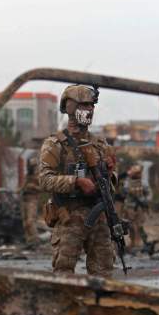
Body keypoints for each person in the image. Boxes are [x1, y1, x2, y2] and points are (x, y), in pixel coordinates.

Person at [39, 84, 117, 277]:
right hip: (68, 218)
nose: (90, 110)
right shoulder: (55, 144)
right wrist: (75, 182)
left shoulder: (100, 144)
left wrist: (109, 174)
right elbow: (45, 180)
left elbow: (113, 185)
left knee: (104, 275)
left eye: (91, 106)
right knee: (64, 274)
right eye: (84, 105)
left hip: (98, 217)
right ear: (70, 108)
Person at [123, 164, 149, 250]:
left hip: (140, 207)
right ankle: (133, 242)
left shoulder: (143, 182)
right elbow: (125, 191)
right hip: (130, 207)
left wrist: (144, 200)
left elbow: (148, 193)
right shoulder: (128, 182)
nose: (138, 175)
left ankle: (139, 242)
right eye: (136, 173)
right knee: (131, 226)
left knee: (139, 225)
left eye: (139, 173)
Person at [20, 153, 41, 246]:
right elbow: (23, 186)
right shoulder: (28, 176)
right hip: (24, 199)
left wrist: (33, 186)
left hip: (32, 199)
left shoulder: (38, 176)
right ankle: (29, 241)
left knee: (30, 221)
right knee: (25, 222)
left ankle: (35, 240)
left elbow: (44, 188)